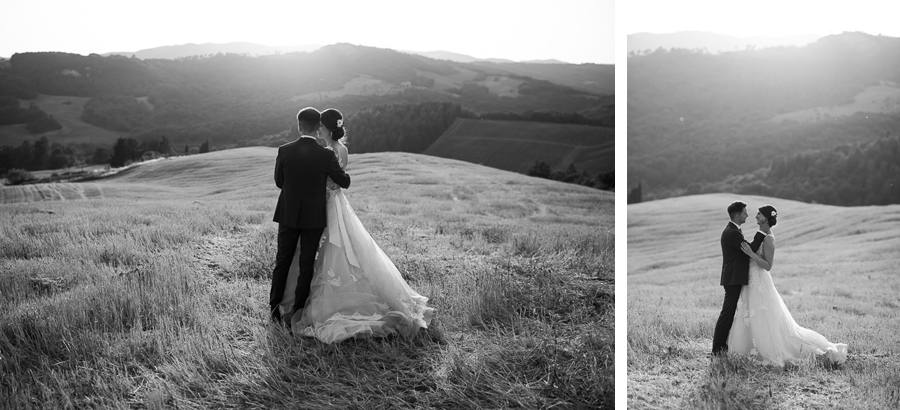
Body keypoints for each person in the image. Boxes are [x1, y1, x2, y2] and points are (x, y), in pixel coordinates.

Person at [280, 108, 434, 343]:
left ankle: (312, 302)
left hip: (322, 206)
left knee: (323, 252)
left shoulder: (326, 152)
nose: (318, 129)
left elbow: (330, 179)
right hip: (333, 203)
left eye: (321, 126)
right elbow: (340, 179)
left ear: (328, 128)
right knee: (339, 250)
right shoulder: (341, 150)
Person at [727, 205, 848, 367]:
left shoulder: (769, 238)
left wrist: (751, 254)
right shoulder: (761, 235)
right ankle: (748, 346)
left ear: (765, 218)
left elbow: (768, 265)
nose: (755, 216)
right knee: (749, 313)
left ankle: (773, 348)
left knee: (764, 315)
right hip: (751, 280)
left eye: (758, 214)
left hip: (760, 281)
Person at [269, 107, 351, 326]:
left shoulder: (284, 150)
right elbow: (343, 182)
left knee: (282, 261)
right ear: (317, 128)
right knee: (307, 264)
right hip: (314, 217)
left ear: (299, 125)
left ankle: (275, 309)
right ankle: (298, 310)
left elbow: (279, 182)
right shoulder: (325, 154)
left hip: (288, 214)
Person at [712, 201, 765, 355]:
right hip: (733, 278)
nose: (747, 215)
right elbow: (751, 249)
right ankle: (717, 349)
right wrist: (762, 231)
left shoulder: (733, 230)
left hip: (734, 277)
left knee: (729, 312)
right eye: (744, 213)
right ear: (737, 215)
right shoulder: (732, 233)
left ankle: (723, 345)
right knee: (727, 313)